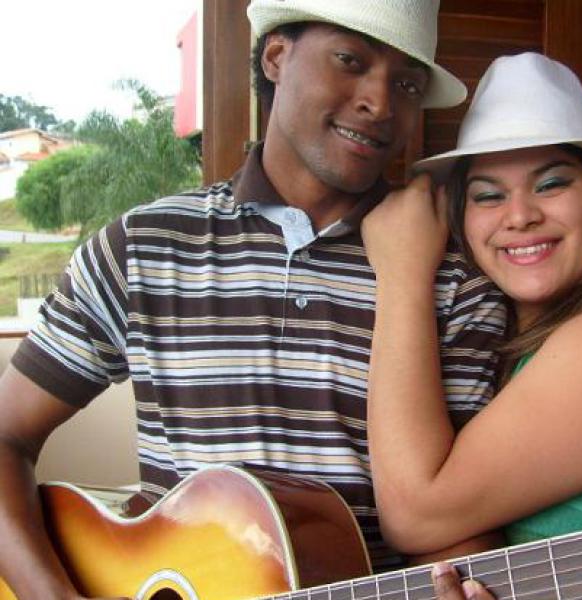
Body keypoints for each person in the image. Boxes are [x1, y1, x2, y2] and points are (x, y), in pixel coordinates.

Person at [0, 1, 508, 597]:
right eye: (350, 60)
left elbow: (453, 524)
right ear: (276, 57)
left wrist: (459, 579)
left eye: (407, 84)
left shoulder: (457, 286)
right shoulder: (141, 248)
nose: (380, 102)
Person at [362, 52, 582, 572]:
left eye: (551, 185)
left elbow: (416, 514)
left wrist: (401, 273)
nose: (521, 216)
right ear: (461, 223)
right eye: (489, 196)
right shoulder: (502, 336)